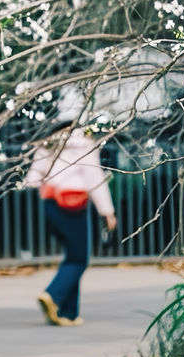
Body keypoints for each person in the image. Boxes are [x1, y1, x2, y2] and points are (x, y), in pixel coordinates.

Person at [25, 120, 117, 326]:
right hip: (73, 205)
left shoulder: (47, 143)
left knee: (73, 257)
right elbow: (94, 179)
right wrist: (107, 212)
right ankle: (52, 294)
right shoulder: (84, 143)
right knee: (79, 259)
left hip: (50, 204)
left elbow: (33, 177)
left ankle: (68, 313)